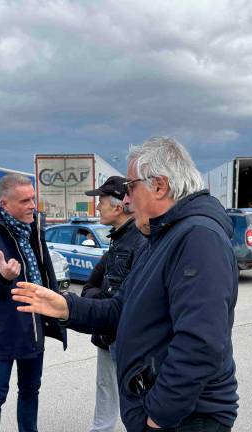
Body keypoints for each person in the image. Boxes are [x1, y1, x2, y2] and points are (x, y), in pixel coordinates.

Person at [11, 137, 239, 432]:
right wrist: (67, 307)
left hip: (188, 418)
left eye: (131, 187)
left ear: (159, 185)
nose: (126, 200)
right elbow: (122, 308)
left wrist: (158, 417)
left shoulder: (198, 237)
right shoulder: (160, 237)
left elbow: (200, 343)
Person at [0, 173, 67, 432]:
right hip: (2, 332)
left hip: (33, 328)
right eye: (24, 201)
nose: (32, 205)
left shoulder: (33, 228)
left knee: (31, 391)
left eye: (33, 199)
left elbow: (46, 273)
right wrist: (2, 277)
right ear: (4, 204)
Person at [81, 175, 147, 432]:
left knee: (134, 392)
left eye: (101, 202)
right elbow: (90, 285)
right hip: (108, 330)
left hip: (125, 334)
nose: (97, 207)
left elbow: (129, 298)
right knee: (105, 387)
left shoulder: (139, 242)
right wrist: (99, 300)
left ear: (119, 206)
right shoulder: (118, 240)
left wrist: (98, 300)